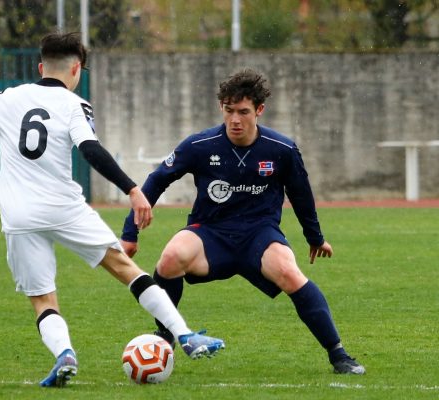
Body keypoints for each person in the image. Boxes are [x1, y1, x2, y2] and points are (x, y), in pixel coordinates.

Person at [0, 32, 224, 388]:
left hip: (19, 215)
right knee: (125, 269)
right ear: (77, 69)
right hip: (64, 207)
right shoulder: (74, 104)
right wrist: (132, 189)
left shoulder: (9, 98)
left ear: (40, 65)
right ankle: (185, 335)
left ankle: (65, 354)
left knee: (43, 299)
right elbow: (91, 149)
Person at [121, 68, 365, 375]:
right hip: (210, 232)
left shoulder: (282, 150)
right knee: (169, 258)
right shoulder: (200, 145)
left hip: (259, 236)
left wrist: (315, 238)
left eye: (243, 112)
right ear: (221, 107)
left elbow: (301, 195)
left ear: (259, 110)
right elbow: (156, 180)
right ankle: (167, 334)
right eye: (229, 110)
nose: (235, 119)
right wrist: (130, 233)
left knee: (290, 273)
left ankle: (338, 354)